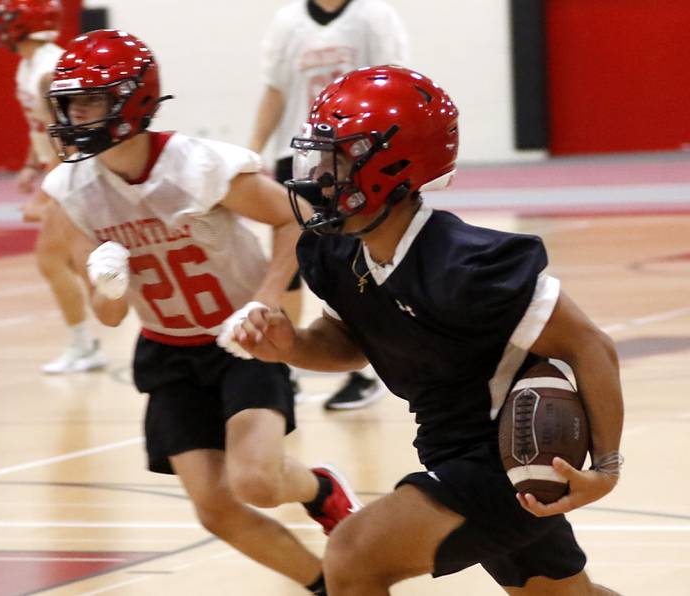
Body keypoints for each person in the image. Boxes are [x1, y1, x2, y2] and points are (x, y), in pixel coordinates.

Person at [233, 66, 624, 595]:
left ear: (393, 168)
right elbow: (348, 340)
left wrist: (606, 467)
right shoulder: (337, 250)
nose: (320, 176)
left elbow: (590, 345)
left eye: (339, 159)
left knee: (352, 555)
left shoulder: (465, 265)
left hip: (505, 459)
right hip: (450, 449)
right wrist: (293, 346)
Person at [39, 29, 361, 595]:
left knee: (258, 482)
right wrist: (109, 285)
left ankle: (318, 490)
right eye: (70, 103)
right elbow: (110, 318)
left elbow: (296, 215)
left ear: (132, 100)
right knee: (215, 509)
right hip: (167, 350)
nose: (75, 115)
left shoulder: (199, 166)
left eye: (90, 100)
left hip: (241, 342)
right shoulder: (73, 190)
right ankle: (326, 585)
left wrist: (266, 297)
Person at [248, 0, 408, 410]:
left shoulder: (373, 16)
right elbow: (274, 90)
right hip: (299, 154)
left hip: (355, 157)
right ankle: (285, 361)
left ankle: (364, 369)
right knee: (290, 263)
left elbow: (394, 83)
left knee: (351, 265)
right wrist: (252, 150)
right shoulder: (288, 22)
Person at [0, 0, 106, 374]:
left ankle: (85, 345)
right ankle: (89, 340)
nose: (2, 28)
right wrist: (30, 165)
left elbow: (70, 138)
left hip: (76, 172)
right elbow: (41, 126)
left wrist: (46, 192)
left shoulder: (49, 71)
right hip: (61, 171)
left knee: (53, 259)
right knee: (78, 260)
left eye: (8, 21)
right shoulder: (28, 67)